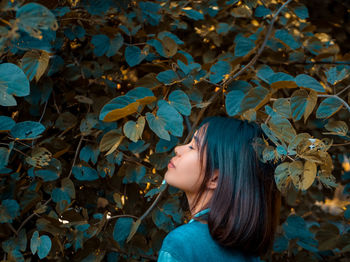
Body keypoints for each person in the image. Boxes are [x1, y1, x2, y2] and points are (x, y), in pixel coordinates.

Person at [157, 116, 281, 262]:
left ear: (214, 178)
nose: (178, 149)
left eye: (192, 147)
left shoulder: (181, 245)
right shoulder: (250, 255)